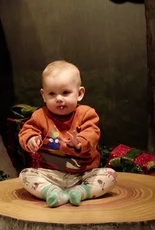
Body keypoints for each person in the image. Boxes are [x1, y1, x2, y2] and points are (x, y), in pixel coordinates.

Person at [18, 60, 117, 207]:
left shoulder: (86, 114)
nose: (59, 99)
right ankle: (51, 192)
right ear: (43, 95)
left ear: (79, 93)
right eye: (52, 94)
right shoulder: (40, 116)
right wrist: (31, 139)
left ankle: (80, 192)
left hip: (83, 174)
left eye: (65, 92)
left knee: (110, 176)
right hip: (50, 174)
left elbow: (92, 132)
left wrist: (81, 141)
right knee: (25, 175)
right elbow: (27, 130)